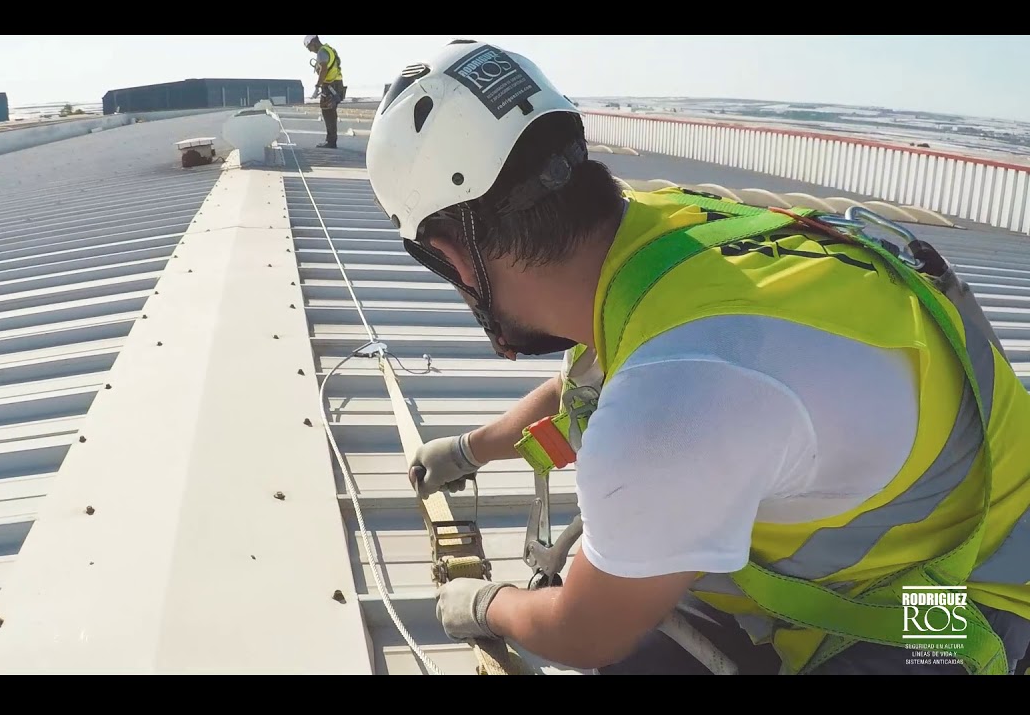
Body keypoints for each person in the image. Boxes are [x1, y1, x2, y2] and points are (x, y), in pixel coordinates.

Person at [365, 38, 1030, 675]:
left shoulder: (673, 408)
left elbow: (584, 629)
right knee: (648, 614)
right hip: (888, 545)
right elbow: (587, 390)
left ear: (453, 257)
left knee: (626, 623)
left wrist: (492, 604)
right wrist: (471, 449)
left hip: (960, 593)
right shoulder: (656, 234)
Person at [303, 35, 346, 149]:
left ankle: (331, 142)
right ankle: (331, 140)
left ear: (313, 42)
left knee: (328, 113)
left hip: (331, 86)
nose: (310, 50)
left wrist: (317, 86)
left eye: (309, 47)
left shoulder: (322, 52)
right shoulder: (328, 49)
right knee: (331, 113)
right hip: (336, 84)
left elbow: (323, 69)